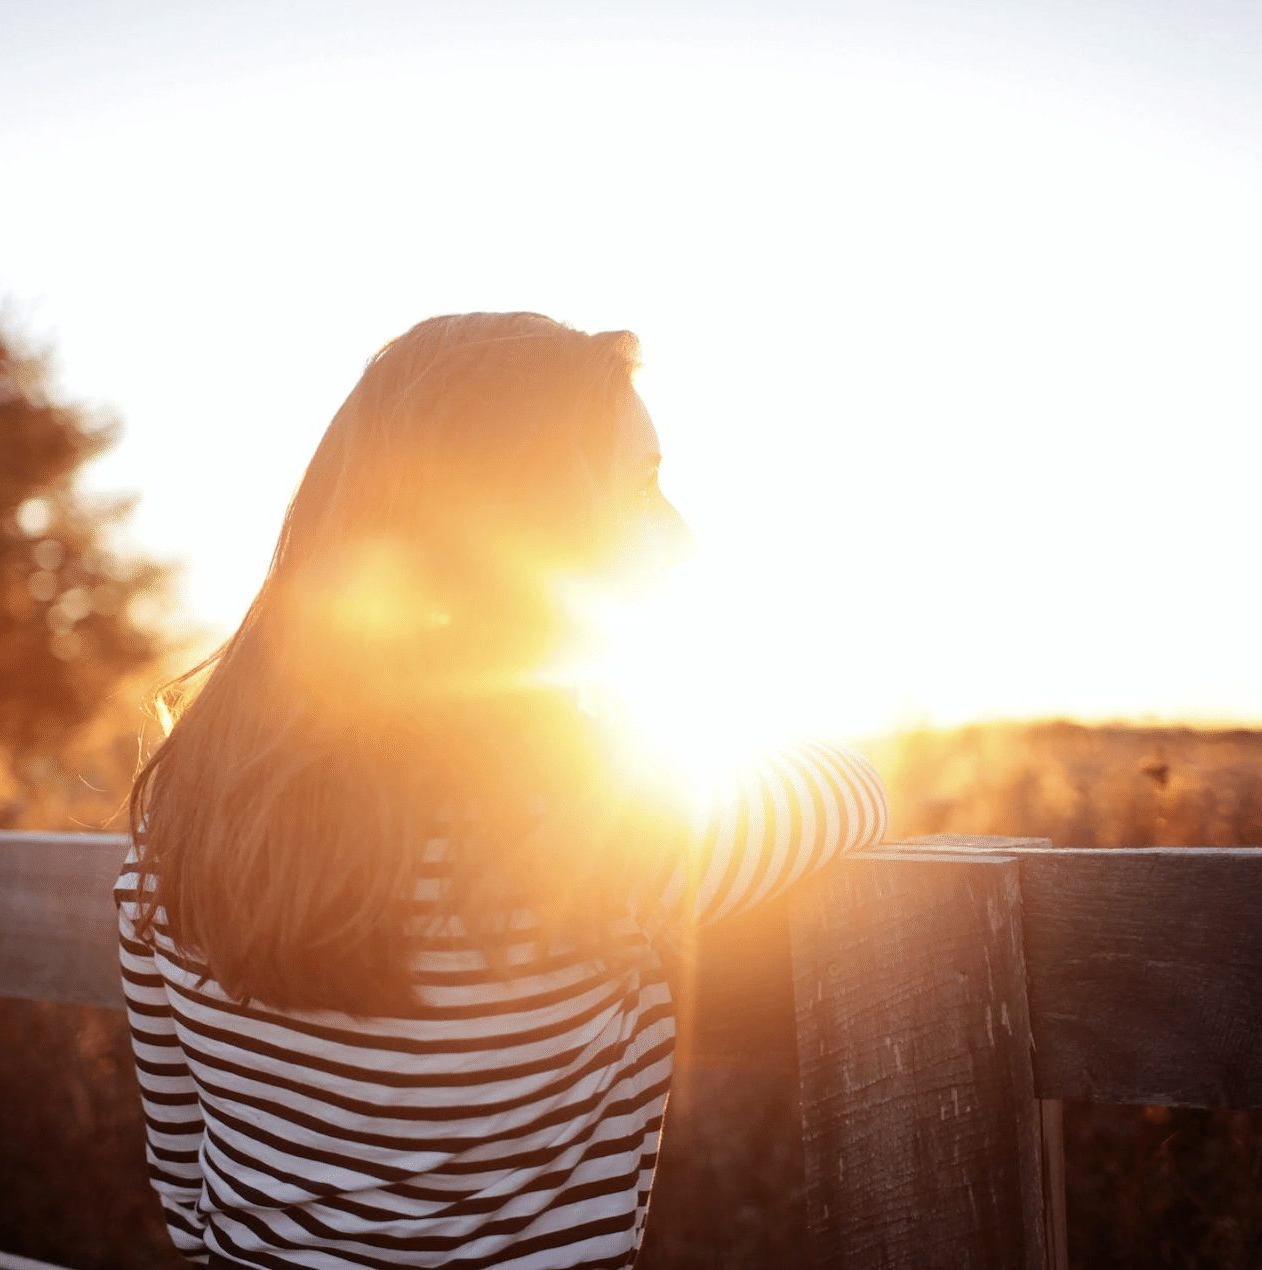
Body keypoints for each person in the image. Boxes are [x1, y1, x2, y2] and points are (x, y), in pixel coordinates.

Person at [114, 311, 889, 1268]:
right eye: (643, 485)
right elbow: (852, 787)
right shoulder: (591, 825)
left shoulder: (179, 813)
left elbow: (183, 1169)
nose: (682, 538)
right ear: (528, 524)